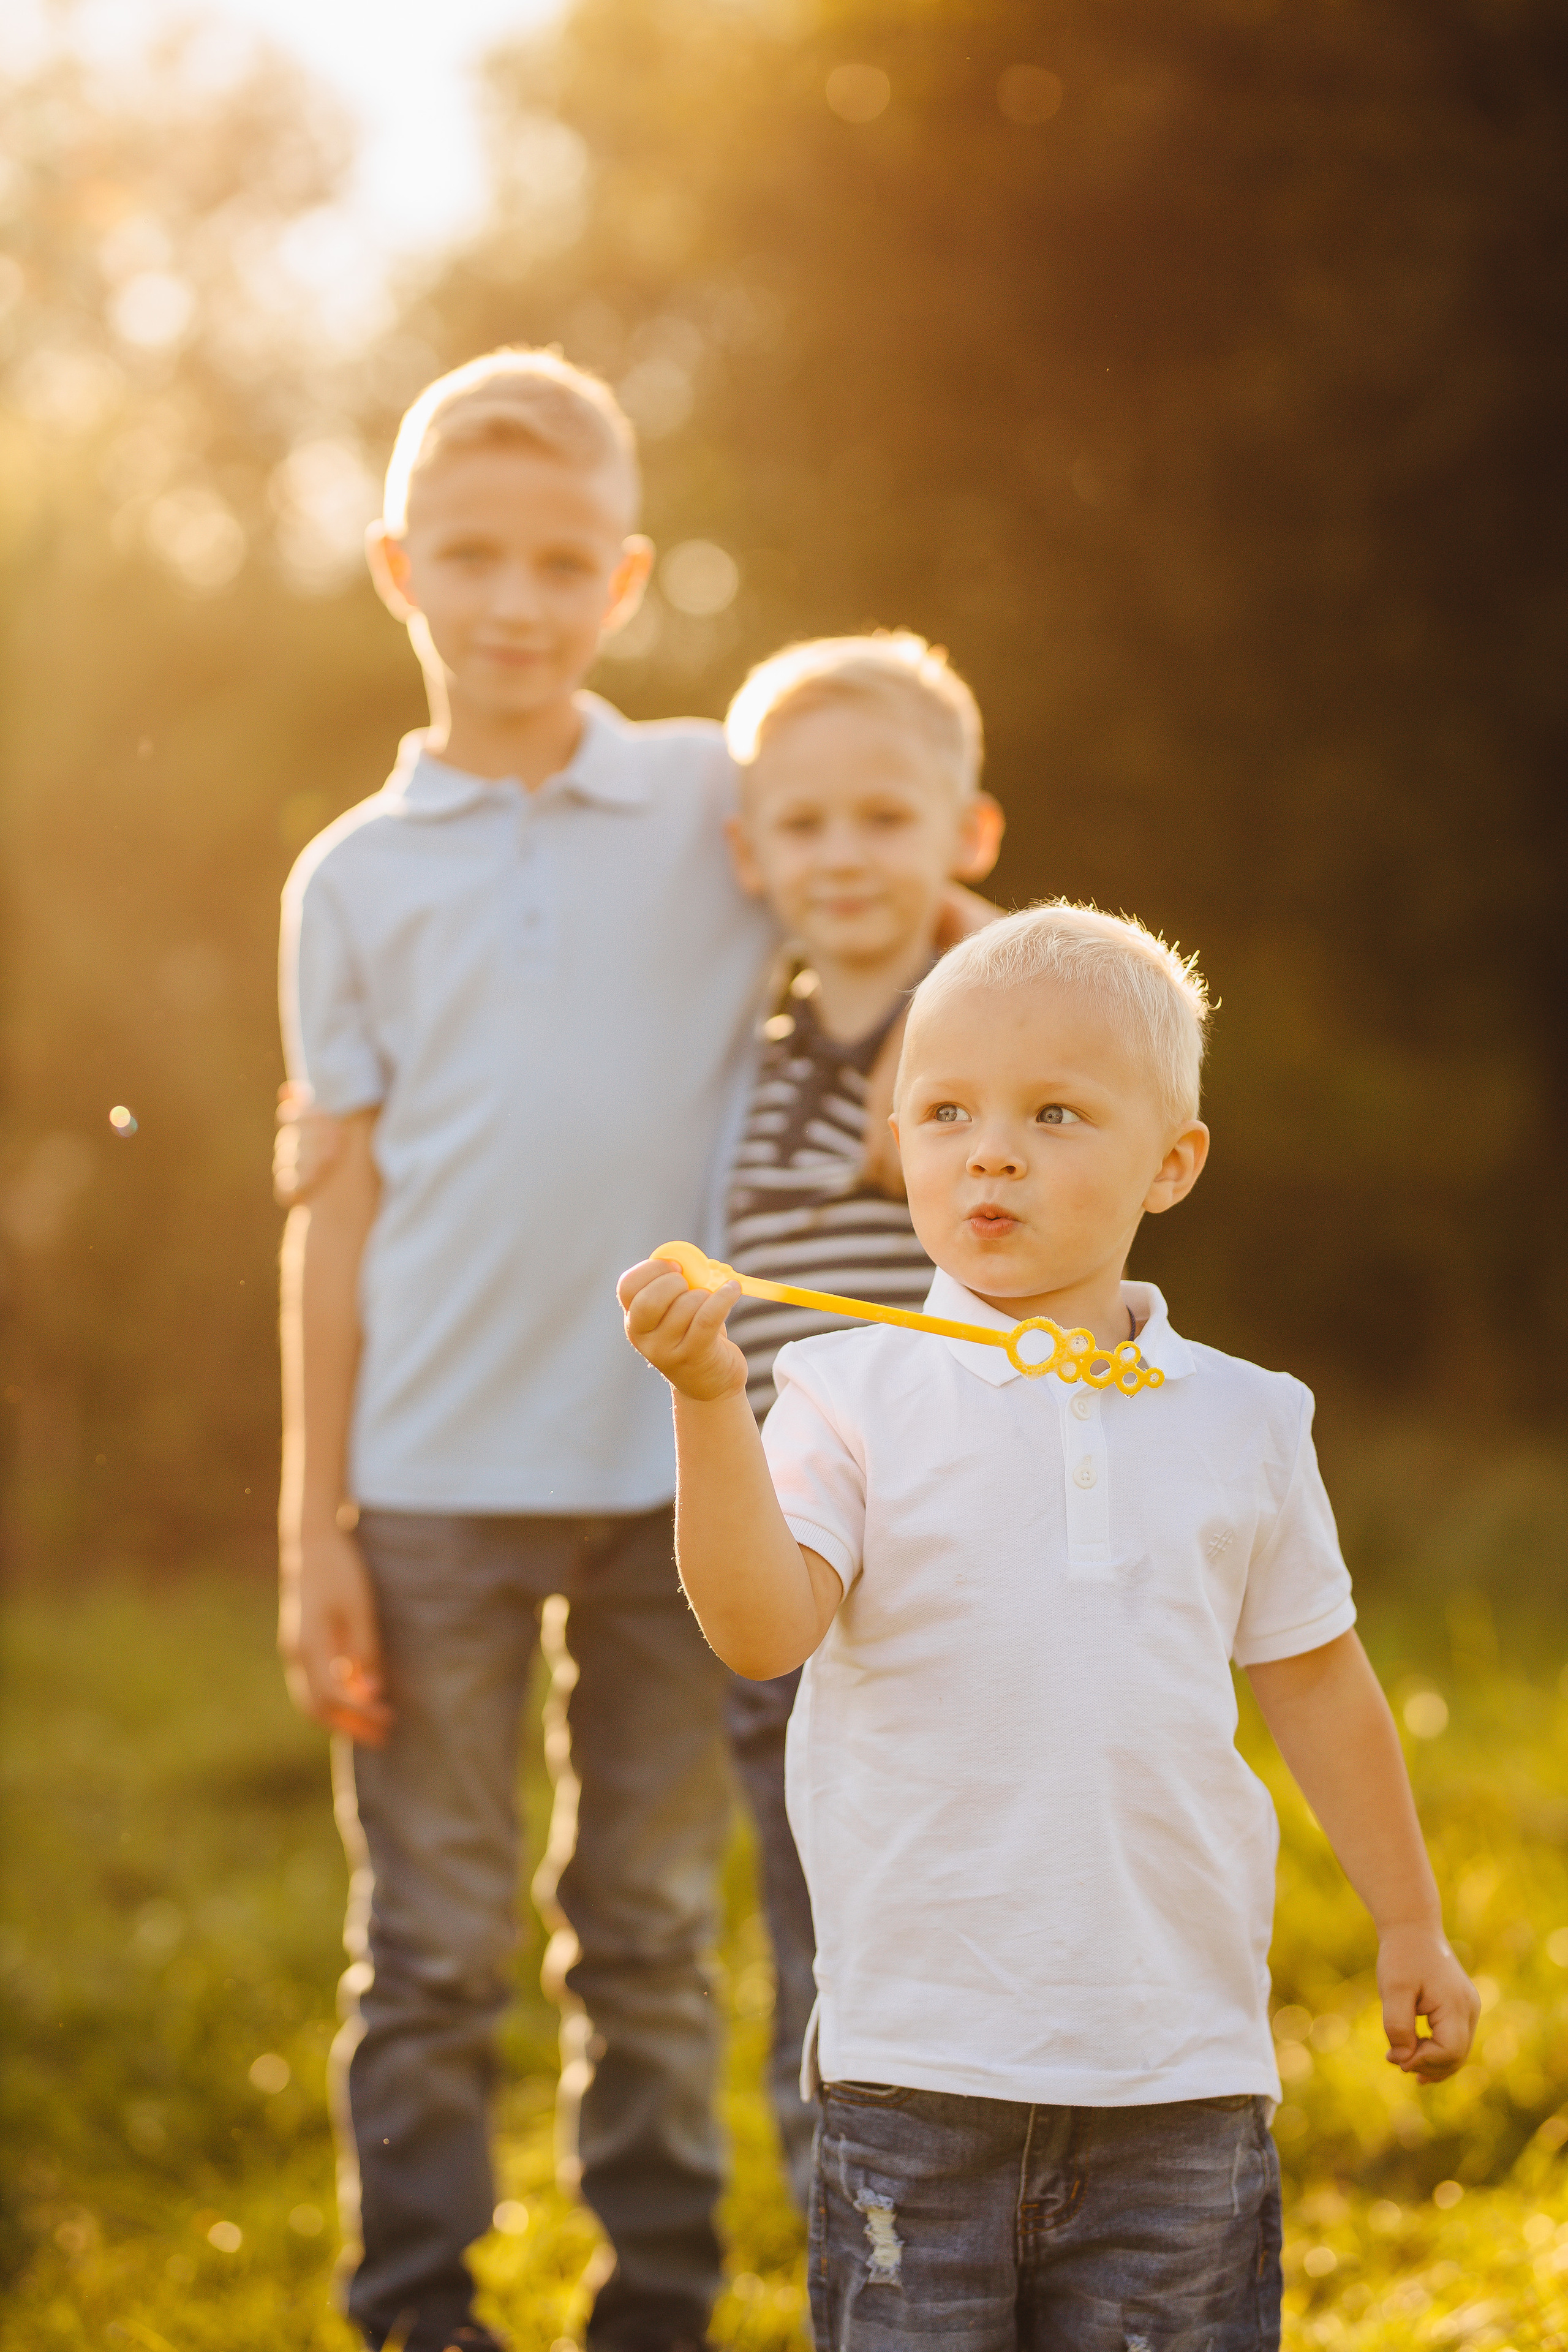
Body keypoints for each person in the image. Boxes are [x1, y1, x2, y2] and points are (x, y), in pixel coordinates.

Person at [618, 903, 1479, 2351]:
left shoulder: (1248, 1418)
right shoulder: (843, 1392)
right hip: (914, 2072)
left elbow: (1320, 1684)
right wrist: (711, 1407)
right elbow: (762, 1632)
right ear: (899, 1144)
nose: (989, 1150)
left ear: (1172, 1162)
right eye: (944, 1113)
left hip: (1177, 2074)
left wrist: (1409, 1923)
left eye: (1053, 1113)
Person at [276, 347, 777, 2352]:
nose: (514, 601)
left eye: (563, 562)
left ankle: (655, 2304)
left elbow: (882, 878)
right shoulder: (351, 877)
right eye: (470, 556)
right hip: (429, 1493)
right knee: (430, 1944)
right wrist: (313, 1520)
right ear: (398, 566)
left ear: (627, 581)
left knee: (650, 1933)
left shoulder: (710, 799)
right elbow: (328, 1215)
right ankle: (416, 2312)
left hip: (683, 1482)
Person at [714, 632, 1003, 2204]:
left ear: (964, 838)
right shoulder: (735, 1067)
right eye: (804, 823)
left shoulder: (990, 1046)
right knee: (816, 1935)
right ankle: (860, 2258)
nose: (841, 856)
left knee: (997, 1919)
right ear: (747, 849)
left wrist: (979, 949)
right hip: (797, 1584)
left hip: (974, 1573)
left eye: (885, 819)